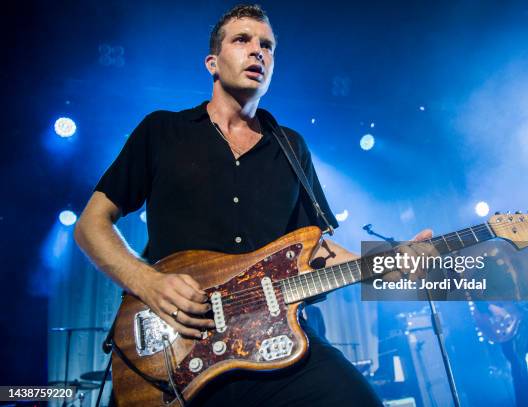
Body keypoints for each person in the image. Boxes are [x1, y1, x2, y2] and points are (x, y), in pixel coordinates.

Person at [74, 4, 431, 406]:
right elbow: (90, 225)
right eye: (242, 40)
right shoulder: (162, 131)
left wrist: (384, 264)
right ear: (213, 62)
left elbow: (316, 250)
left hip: (278, 342)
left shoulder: (291, 146)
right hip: (182, 345)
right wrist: (148, 282)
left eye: (267, 45)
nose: (257, 51)